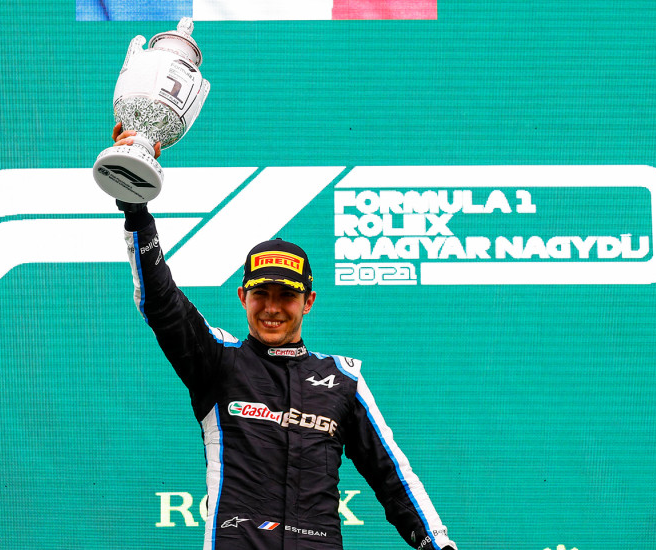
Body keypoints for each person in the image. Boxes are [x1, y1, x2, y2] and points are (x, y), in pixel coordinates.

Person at [114, 126, 456, 550]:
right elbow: (162, 303)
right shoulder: (219, 360)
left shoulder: (343, 380)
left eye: (286, 295)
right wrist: (136, 209)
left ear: (308, 300)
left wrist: (436, 543)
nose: (272, 307)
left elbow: (393, 475)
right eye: (261, 294)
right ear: (243, 297)